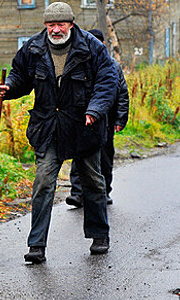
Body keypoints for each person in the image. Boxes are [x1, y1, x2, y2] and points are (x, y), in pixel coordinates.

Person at [0, 2, 118, 263]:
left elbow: (108, 80)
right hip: (48, 126)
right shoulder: (33, 48)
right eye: (51, 24)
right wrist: (8, 88)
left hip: (85, 125)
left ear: (71, 24)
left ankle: (99, 235)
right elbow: (20, 77)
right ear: (45, 26)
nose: (56, 29)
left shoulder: (92, 48)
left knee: (93, 182)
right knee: (43, 183)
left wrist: (94, 110)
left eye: (61, 24)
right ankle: (36, 245)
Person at [66, 28, 129, 208]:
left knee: (105, 157)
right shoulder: (78, 62)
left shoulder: (112, 66)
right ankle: (77, 193)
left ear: (102, 44)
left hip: (105, 121)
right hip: (81, 119)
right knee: (79, 155)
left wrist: (120, 120)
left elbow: (122, 95)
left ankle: (104, 192)